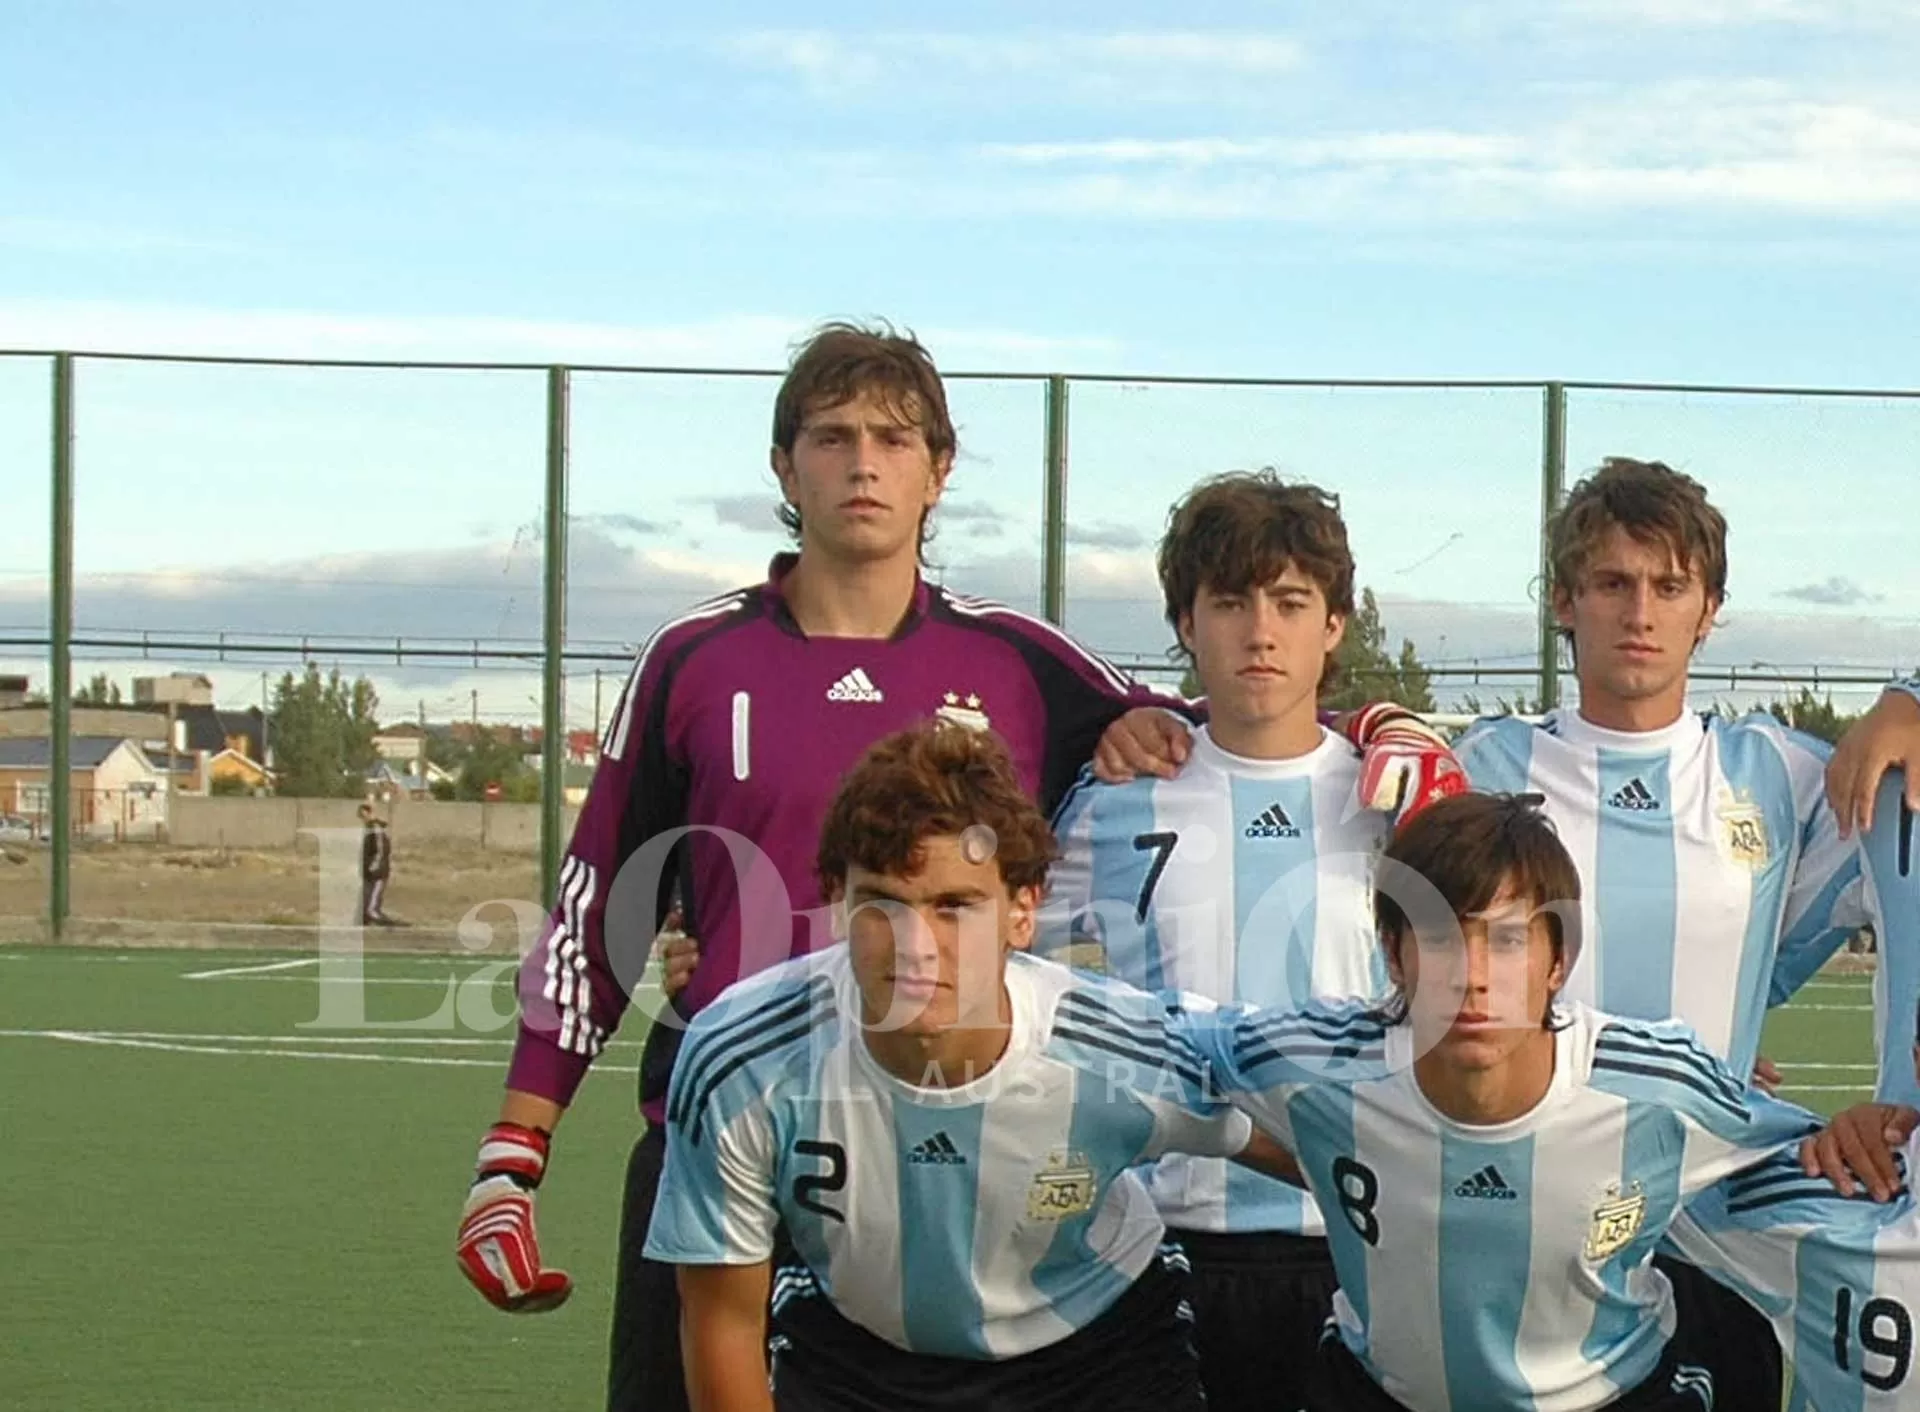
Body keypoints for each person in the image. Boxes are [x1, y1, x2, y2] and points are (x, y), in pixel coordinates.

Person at [450, 323, 1449, 1410]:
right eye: (833, 437)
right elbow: (596, 908)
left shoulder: (1019, 661)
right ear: (784, 466)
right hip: (727, 1128)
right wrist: (514, 1151)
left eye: (893, 439)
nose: (863, 464)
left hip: (936, 1158)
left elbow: (1246, 720)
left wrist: (1383, 722)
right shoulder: (694, 659)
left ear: (940, 469)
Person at [644, 723, 1294, 1412]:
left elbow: (1308, 1142)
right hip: (856, 1355)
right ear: (837, 902)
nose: (916, 947)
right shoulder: (741, 1057)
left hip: (1097, 1355)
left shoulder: (1121, 1046)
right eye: (882, 905)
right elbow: (722, 1321)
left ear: (1023, 912)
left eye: (953, 906)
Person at [1174, 791, 1824, 1412]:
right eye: (1438, 939)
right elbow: (1158, 1039)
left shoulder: (1657, 1086)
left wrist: (1856, 1136)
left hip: (1610, 1399)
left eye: (1507, 940)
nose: (1473, 976)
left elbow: (1803, 1154)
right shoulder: (1322, 1065)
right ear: (1394, 956)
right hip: (1381, 1395)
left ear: (1558, 962)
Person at [1039, 471, 1400, 1411]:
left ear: (1334, 624)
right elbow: (1026, 986)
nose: (1261, 632)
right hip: (1155, 1238)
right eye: (1232, 603)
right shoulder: (1114, 800)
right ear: (1186, 623)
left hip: (1357, 1235)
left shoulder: (1395, 800)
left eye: (1291, 602)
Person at [358, 803, 392, 926]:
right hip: (369, 871)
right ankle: (366, 920)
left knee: (372, 905)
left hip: (377, 872)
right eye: (361, 816)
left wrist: (374, 866)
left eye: (364, 815)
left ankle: (379, 921)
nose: (363, 818)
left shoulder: (375, 828)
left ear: (370, 813)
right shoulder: (368, 828)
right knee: (366, 898)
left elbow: (381, 849)